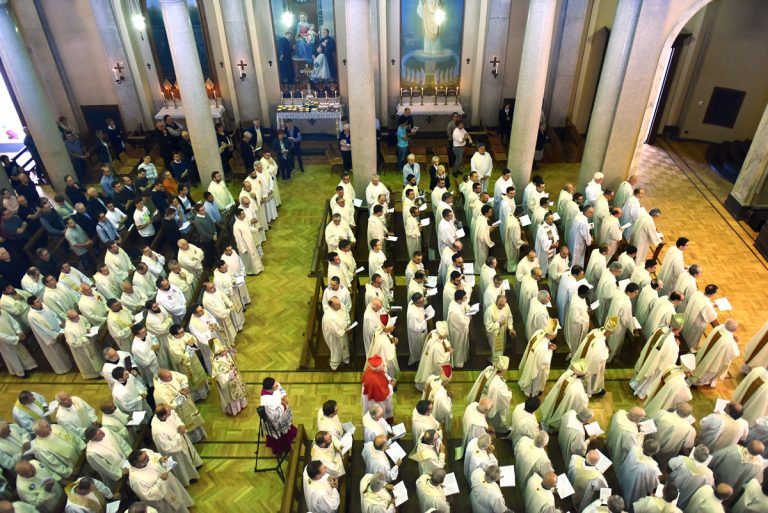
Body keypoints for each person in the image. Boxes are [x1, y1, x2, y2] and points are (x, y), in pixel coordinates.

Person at [127, 449, 194, 513]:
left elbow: (155, 455)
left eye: (146, 455)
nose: (148, 457)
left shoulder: (145, 452)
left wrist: (161, 459)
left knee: (180, 496)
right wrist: (161, 480)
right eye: (145, 458)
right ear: (138, 464)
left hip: (171, 482)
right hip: (164, 498)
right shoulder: (136, 480)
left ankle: (185, 507)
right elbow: (148, 495)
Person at [151, 404, 202, 487]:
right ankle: (187, 479)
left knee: (190, 455)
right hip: (175, 453)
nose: (171, 412)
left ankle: (195, 465)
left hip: (182, 440)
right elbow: (166, 448)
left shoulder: (167, 413)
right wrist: (179, 435)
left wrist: (180, 425)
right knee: (181, 467)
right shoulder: (158, 431)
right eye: (169, 412)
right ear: (164, 415)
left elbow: (175, 416)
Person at [154, 369, 206, 443]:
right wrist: (181, 396)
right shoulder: (159, 392)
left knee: (194, 419)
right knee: (187, 424)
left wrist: (183, 387)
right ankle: (192, 440)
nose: (171, 377)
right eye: (168, 377)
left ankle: (200, 435)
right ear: (162, 378)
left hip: (187, 403)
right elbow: (169, 406)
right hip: (179, 411)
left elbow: (183, 377)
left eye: (170, 375)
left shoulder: (170, 374)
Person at [539, 361, 589, 430]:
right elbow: (582, 402)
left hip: (556, 400)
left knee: (550, 412)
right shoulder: (578, 388)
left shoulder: (567, 374)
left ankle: (546, 423)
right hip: (562, 405)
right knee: (559, 414)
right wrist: (586, 397)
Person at [690, 319, 739, 387]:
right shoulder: (729, 342)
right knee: (704, 372)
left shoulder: (718, 328)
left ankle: (692, 378)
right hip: (713, 361)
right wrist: (736, 343)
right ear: (735, 330)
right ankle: (694, 383)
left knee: (699, 366)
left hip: (705, 353)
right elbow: (735, 353)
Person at [518, 319, 558, 397]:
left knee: (528, 375)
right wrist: (550, 350)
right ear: (552, 334)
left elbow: (540, 344)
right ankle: (532, 393)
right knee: (535, 381)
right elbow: (544, 364)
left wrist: (548, 345)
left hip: (530, 361)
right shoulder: (543, 348)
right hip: (537, 370)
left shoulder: (539, 332)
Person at [618, 439, 661, 510]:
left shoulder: (634, 449)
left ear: (643, 446)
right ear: (655, 452)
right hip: (635, 488)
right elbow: (653, 485)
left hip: (625, 479)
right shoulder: (651, 468)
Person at [668, 445, 715, 510]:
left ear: (694, 453)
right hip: (688, 495)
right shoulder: (708, 473)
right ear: (706, 458)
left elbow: (670, 463)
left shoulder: (682, 459)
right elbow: (709, 486)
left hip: (672, 488)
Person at [653, 402, 696, 470]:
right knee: (658, 467)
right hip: (666, 452)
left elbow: (652, 423)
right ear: (688, 416)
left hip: (651, 442)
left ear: (676, 409)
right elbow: (688, 445)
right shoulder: (690, 429)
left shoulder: (662, 413)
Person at [259, 377, 297, 455]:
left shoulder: (273, 385)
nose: (277, 385)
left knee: (287, 428)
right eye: (275, 386)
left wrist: (284, 395)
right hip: (276, 421)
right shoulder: (266, 402)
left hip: (282, 411)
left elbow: (280, 388)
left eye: (276, 383)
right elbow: (274, 416)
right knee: (280, 435)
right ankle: (281, 448)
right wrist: (283, 405)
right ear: (270, 389)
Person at [210, 340, 248, 416]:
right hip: (228, 384)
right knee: (232, 397)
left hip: (235, 378)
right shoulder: (216, 363)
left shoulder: (226, 355)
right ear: (217, 353)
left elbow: (232, 363)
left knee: (239, 391)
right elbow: (219, 377)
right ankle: (234, 410)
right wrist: (230, 373)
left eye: (224, 350)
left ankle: (242, 405)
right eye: (223, 351)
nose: (225, 351)